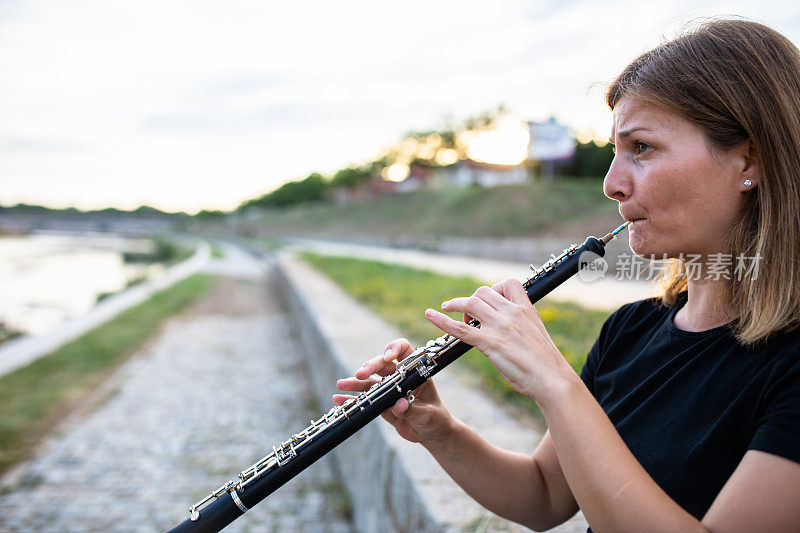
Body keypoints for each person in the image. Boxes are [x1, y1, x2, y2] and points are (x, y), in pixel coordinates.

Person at [335, 18, 800, 532]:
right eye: (614, 153)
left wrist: (554, 382)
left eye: (641, 147)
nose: (611, 184)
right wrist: (438, 429)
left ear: (748, 159)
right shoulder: (631, 330)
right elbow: (543, 495)